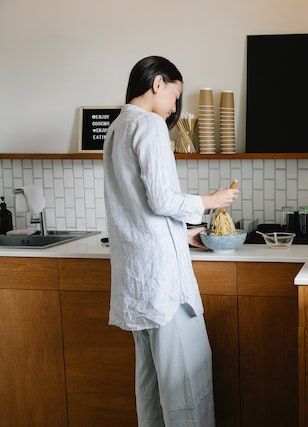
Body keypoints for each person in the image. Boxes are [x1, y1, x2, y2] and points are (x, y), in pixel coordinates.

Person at [103, 55, 238, 426]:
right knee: (184, 381)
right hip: (162, 282)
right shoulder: (148, 125)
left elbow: (139, 208)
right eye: (175, 98)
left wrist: (182, 233)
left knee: (150, 383)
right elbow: (162, 199)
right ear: (157, 83)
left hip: (138, 277)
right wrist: (211, 202)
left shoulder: (117, 128)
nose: (174, 108)